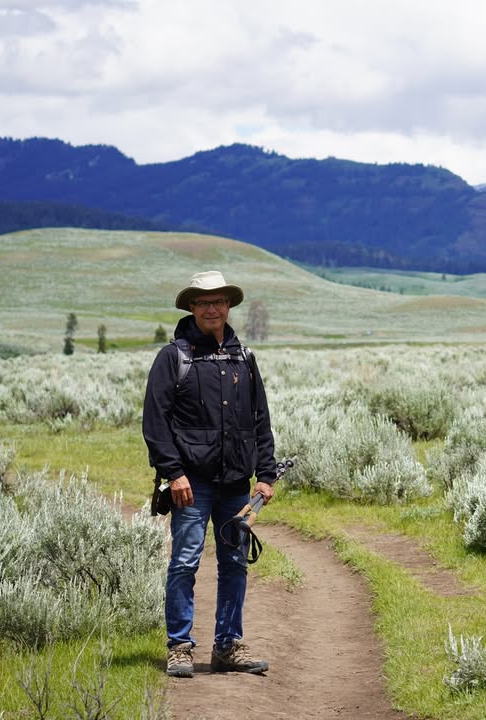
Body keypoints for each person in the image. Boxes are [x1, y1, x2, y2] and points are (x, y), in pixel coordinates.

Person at [142, 270, 278, 678]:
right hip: (191, 484)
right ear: (192, 308)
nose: (212, 308)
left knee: (235, 562)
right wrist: (173, 473)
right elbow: (155, 422)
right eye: (204, 302)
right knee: (185, 562)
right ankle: (180, 647)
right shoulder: (174, 357)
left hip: (235, 483)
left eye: (218, 301)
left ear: (228, 306)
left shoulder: (244, 357)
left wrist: (266, 474)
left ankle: (228, 646)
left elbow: (260, 421)